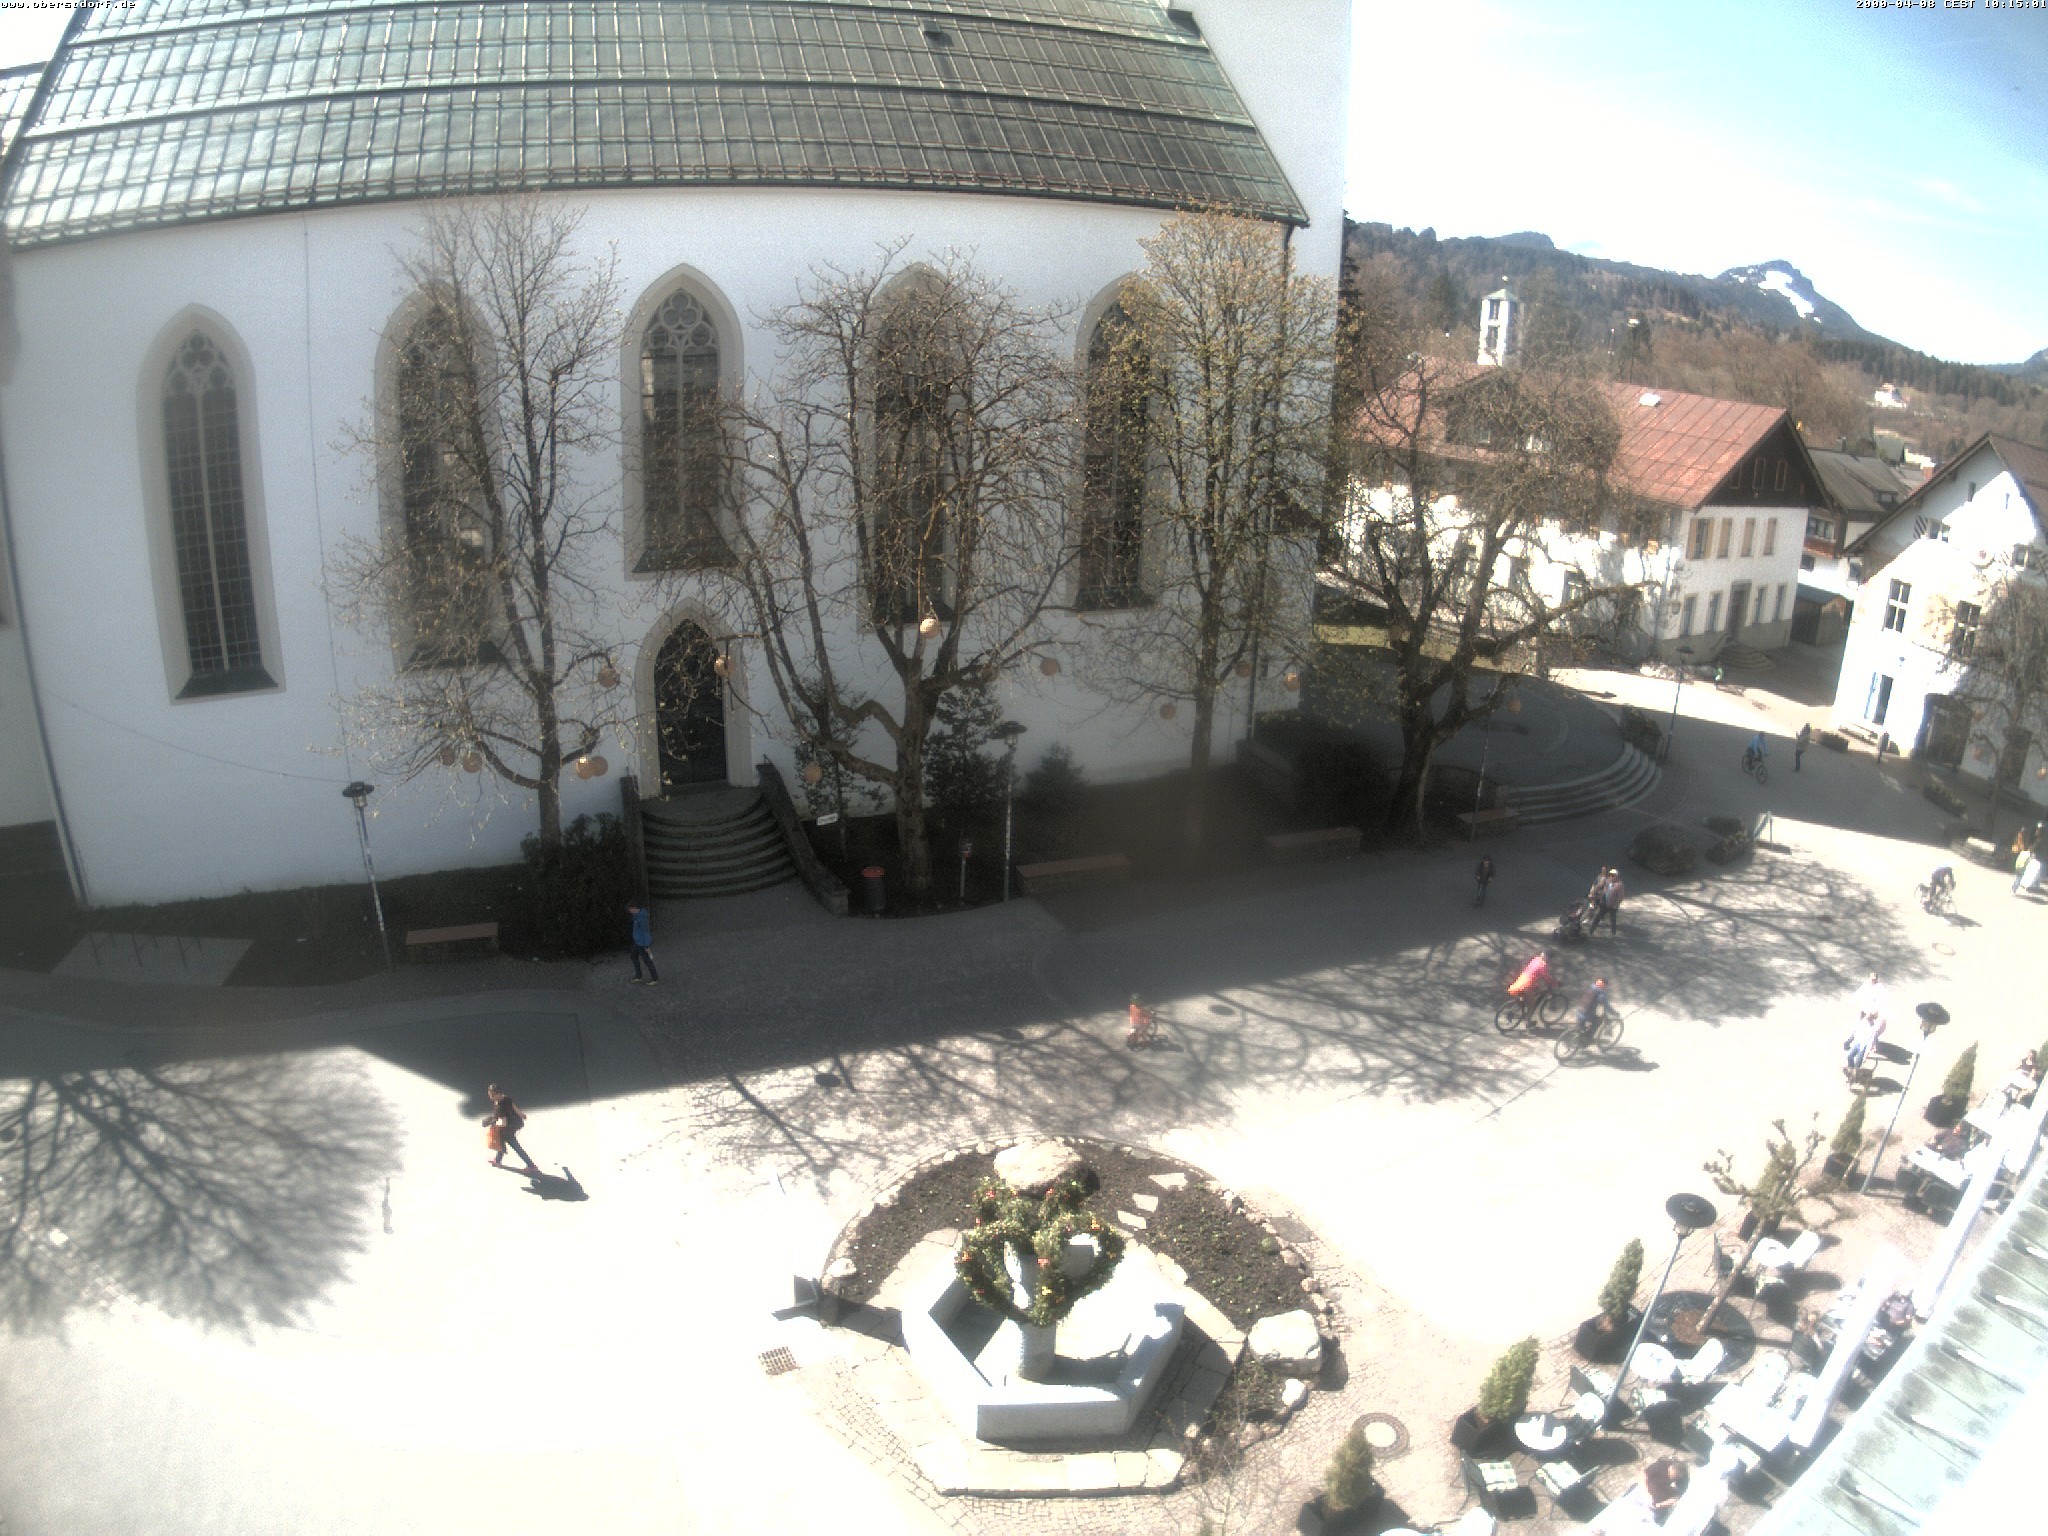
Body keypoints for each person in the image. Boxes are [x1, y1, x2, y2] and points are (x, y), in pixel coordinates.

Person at [483, 1083, 541, 1173]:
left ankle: (531, 1166)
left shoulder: (500, 1107)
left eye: (492, 1095)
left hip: (508, 1128)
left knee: (515, 1146)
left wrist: (492, 1124)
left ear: (497, 1094)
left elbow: (503, 1123)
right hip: (514, 1124)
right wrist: (521, 1114)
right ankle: (498, 1161)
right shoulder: (506, 1098)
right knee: (501, 1142)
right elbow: (513, 1106)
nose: (491, 1098)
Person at [1844, 1008, 1884, 1080]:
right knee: (1849, 1056)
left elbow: (1871, 1042)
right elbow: (1856, 1030)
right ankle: (1851, 1071)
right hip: (1857, 1043)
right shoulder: (1863, 1021)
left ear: (1872, 1017)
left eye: (1869, 1014)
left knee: (1857, 1064)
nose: (1867, 1015)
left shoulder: (1873, 1028)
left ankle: (1854, 1075)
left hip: (1863, 1047)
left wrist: (1866, 1055)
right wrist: (1850, 1040)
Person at [627, 900, 659, 984]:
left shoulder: (641, 918)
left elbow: (645, 932)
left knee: (647, 961)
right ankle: (639, 975)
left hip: (642, 943)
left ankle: (654, 978)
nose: (629, 911)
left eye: (630, 909)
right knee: (633, 956)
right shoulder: (637, 916)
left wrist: (647, 945)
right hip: (638, 942)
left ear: (634, 908)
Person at [1595, 867, 1624, 936]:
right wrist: (1595, 891)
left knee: (1613, 919)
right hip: (1604, 902)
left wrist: (1616, 904)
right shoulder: (1607, 881)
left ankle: (1613, 933)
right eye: (1610, 875)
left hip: (1613, 905)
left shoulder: (1619, 885)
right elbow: (1599, 887)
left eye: (1613, 875)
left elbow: (1620, 897)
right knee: (1598, 917)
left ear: (1616, 876)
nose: (1611, 877)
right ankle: (1591, 931)